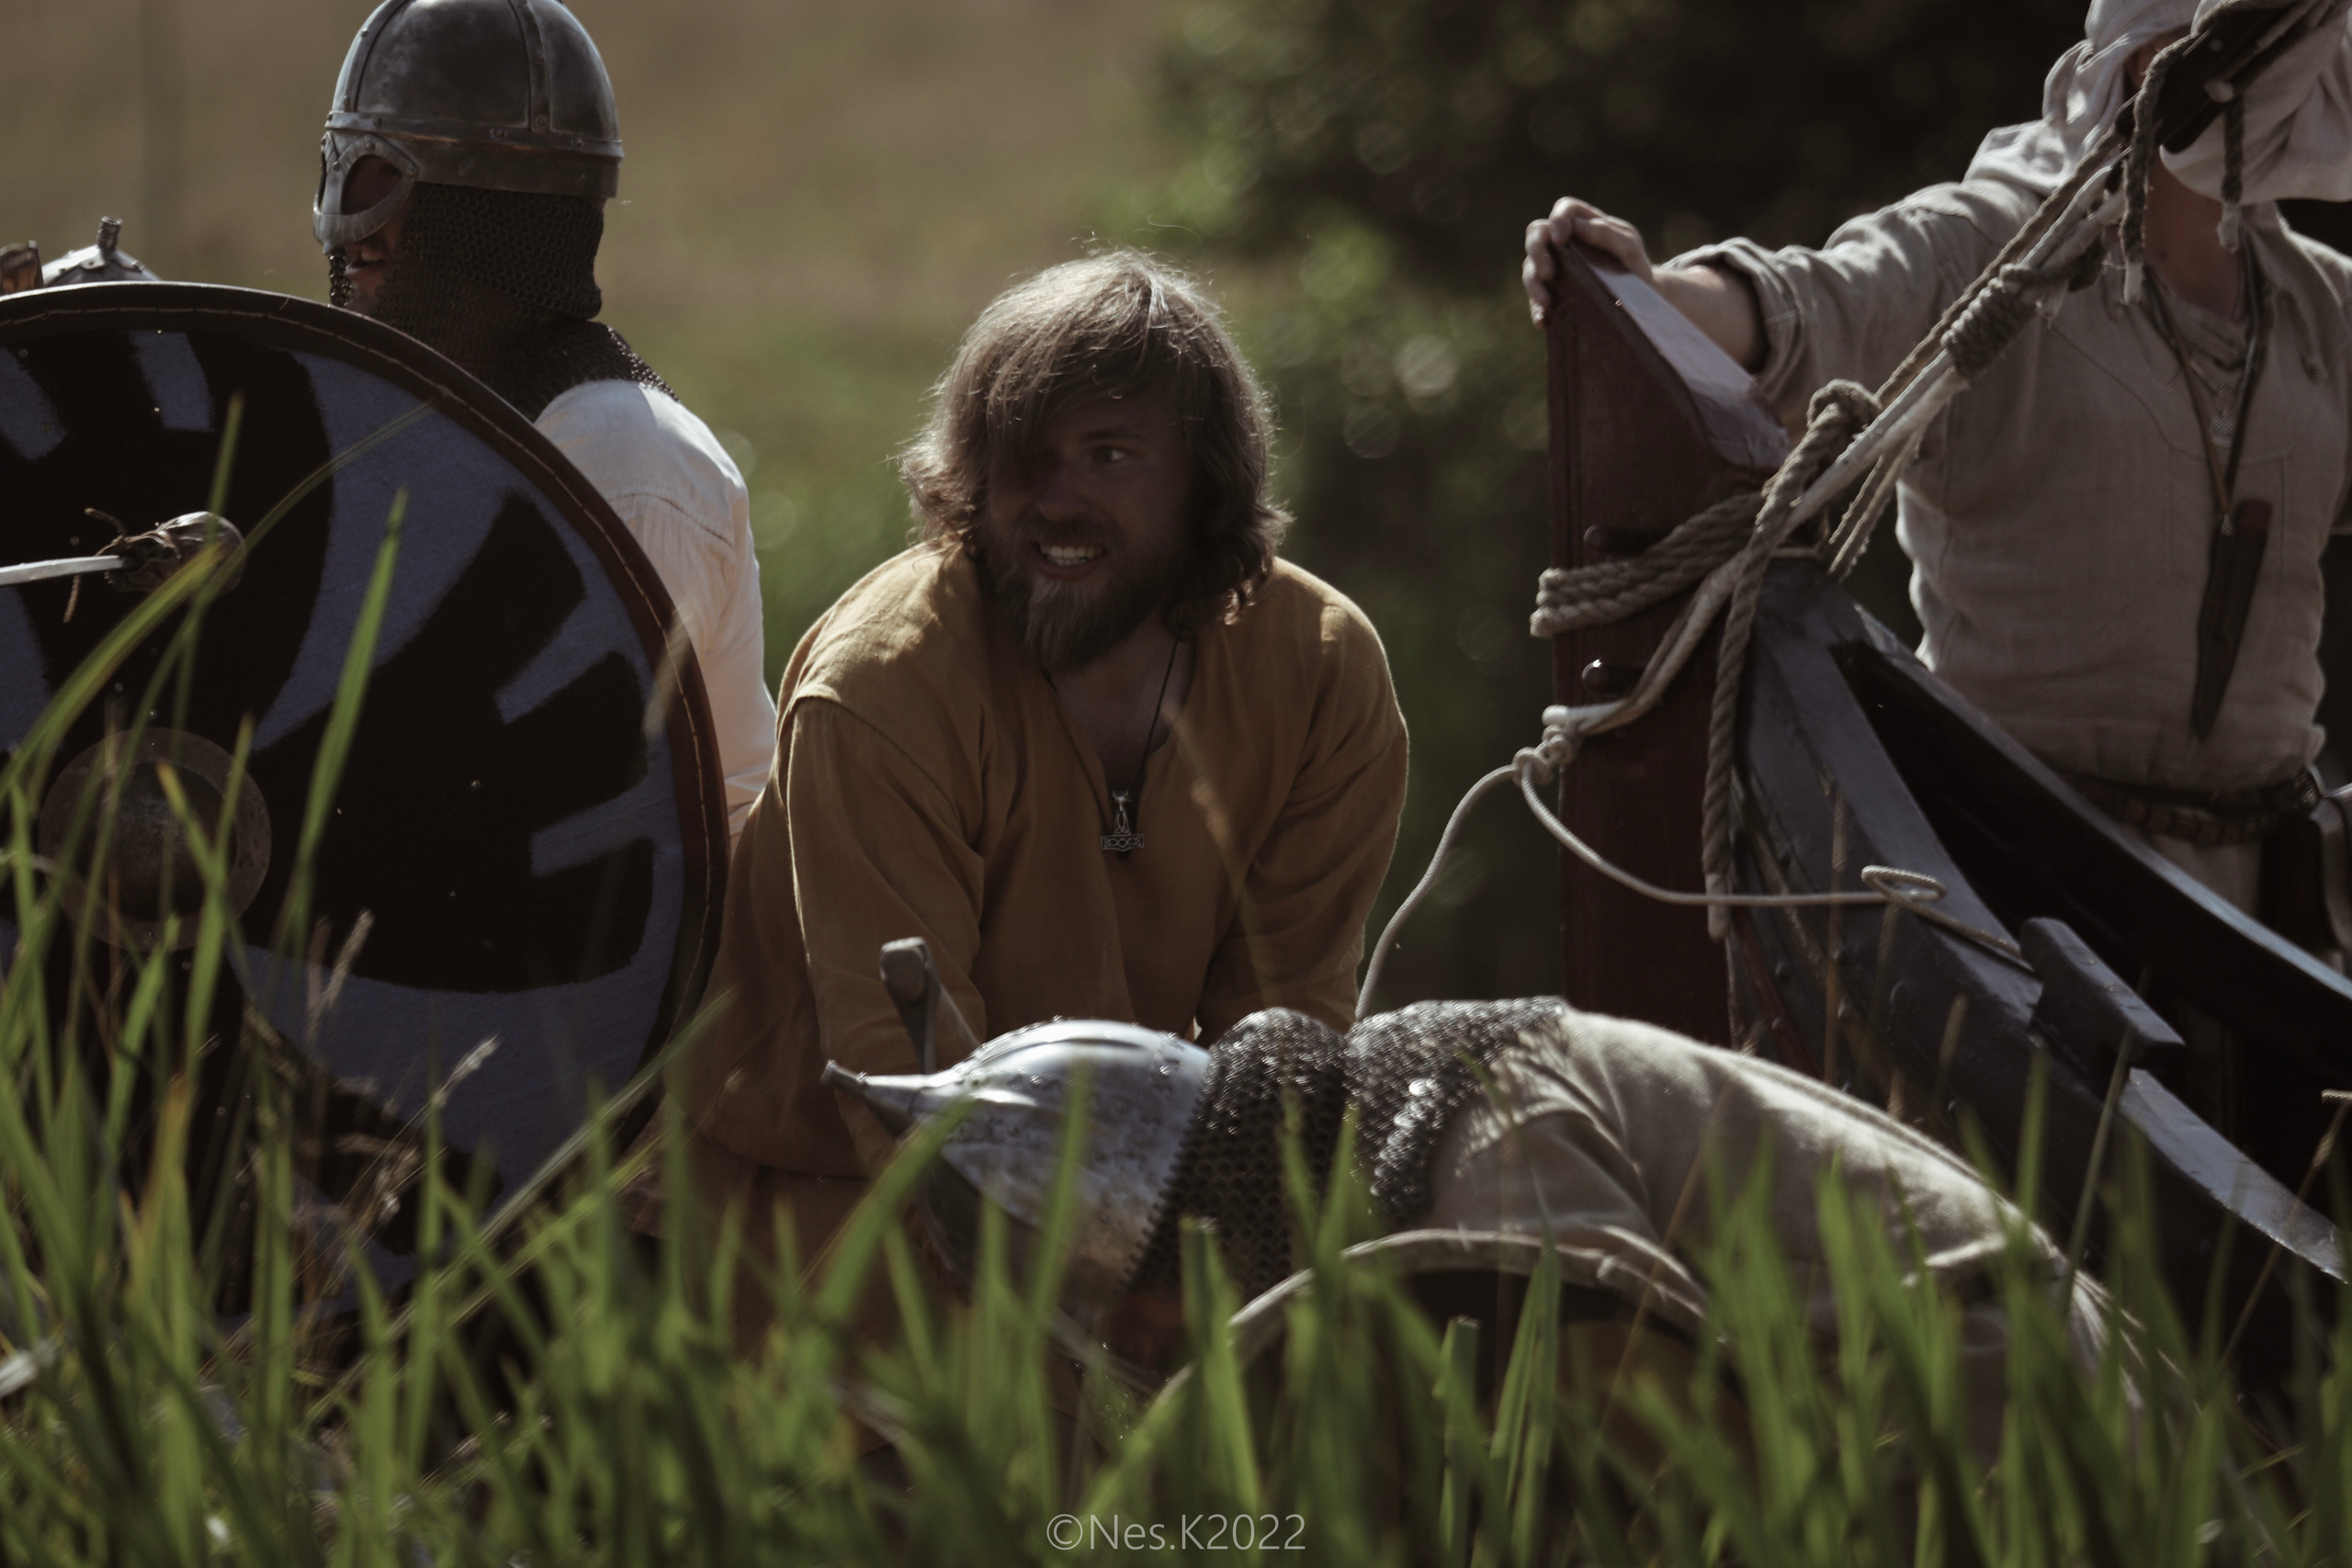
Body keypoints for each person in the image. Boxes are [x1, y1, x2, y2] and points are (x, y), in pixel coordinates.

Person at [679, 252, 1411, 1299]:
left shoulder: (1321, 671)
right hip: (812, 1214)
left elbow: (1279, 1055)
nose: (1053, 500)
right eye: (1019, 457)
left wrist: (1244, 1293)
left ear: (1204, 478)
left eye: (1108, 455)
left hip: (1126, 1202)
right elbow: (911, 1103)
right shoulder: (886, 690)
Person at [1523, 0, 2352, 920]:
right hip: (2019, 882)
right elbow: (1812, 304)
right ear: (2155, 57)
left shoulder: (2319, 307)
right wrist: (1650, 291)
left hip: (2272, 913)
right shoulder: (1989, 250)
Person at [822, 998, 2109, 1463]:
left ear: (1189, 1228)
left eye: (1132, 1311)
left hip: (2033, 1444)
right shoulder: (1406, 1120)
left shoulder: (1486, 1150)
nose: (1150, 1347)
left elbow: (1672, 1462)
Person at [311, 0, 775, 837]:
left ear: (496, 212)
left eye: (383, 181)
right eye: (340, 172)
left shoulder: (621, 460)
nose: (353, 234)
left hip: (648, 954)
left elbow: (546, 804)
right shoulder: (427, 425)